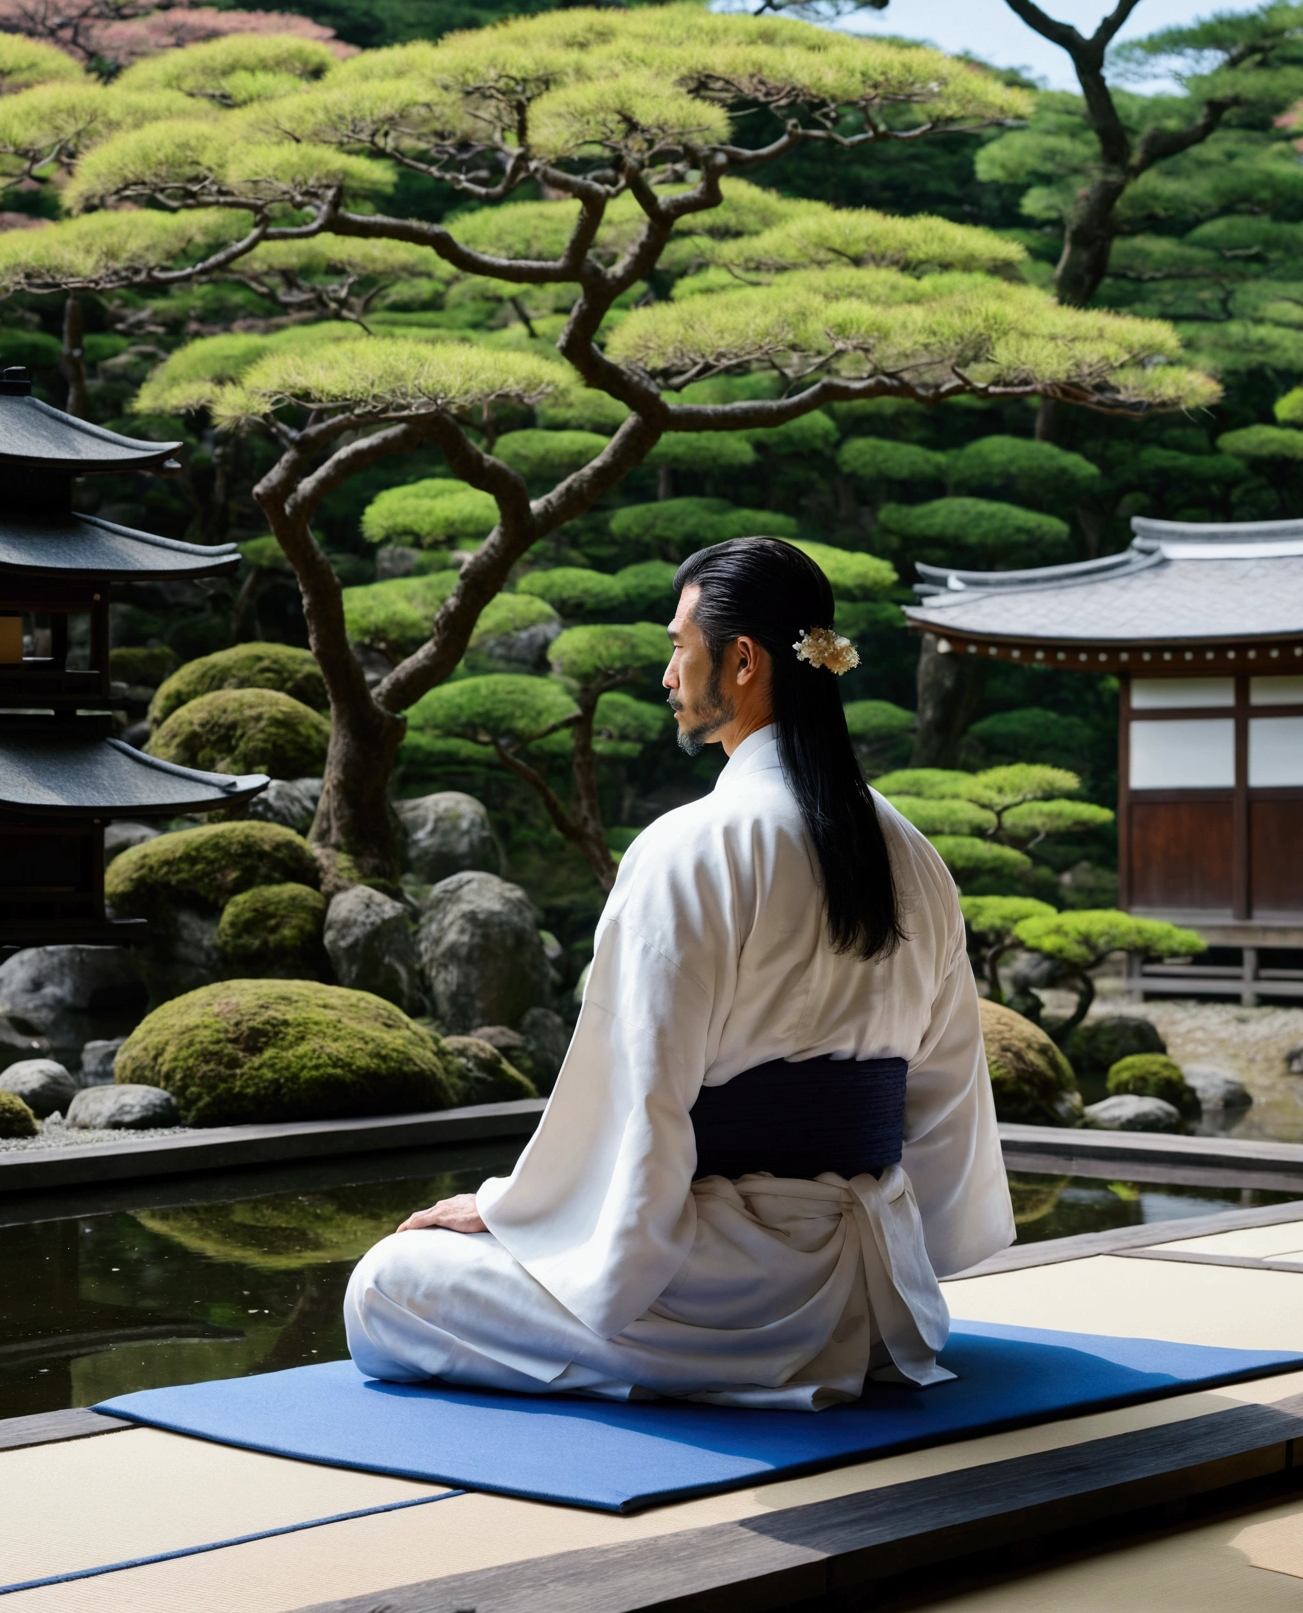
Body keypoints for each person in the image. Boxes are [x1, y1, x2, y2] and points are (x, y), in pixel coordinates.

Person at [344, 537, 1013, 1408]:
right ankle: (787, 1352)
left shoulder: (692, 847)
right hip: (886, 1296)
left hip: (731, 1289)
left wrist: (512, 1213)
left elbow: (642, 1106)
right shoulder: (912, 850)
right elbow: (947, 1094)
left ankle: (722, 1368)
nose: (667, 675)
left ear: (740, 660)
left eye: (676, 645)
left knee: (387, 1286)